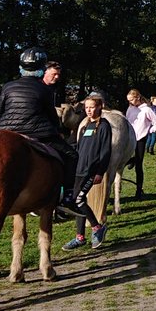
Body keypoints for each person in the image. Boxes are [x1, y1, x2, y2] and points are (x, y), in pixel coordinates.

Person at [0, 47, 92, 219]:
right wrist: (56, 131)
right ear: (41, 69)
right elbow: (51, 117)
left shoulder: (7, 86)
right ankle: (68, 197)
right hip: (38, 132)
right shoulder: (44, 90)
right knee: (72, 155)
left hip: (6, 131)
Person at [62, 93, 111, 250]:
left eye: (92, 107)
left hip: (92, 171)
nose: (89, 110)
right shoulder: (84, 127)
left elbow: (105, 151)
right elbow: (78, 148)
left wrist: (100, 172)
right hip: (79, 170)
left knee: (79, 200)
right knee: (76, 202)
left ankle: (97, 228)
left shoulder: (103, 126)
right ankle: (80, 237)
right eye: (87, 108)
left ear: (99, 107)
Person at [124, 89, 156, 198]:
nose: (130, 102)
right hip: (128, 138)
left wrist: (149, 131)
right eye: (128, 100)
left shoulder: (147, 110)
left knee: (139, 164)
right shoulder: (130, 109)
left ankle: (139, 190)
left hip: (140, 139)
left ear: (137, 98)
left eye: (131, 100)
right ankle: (131, 161)